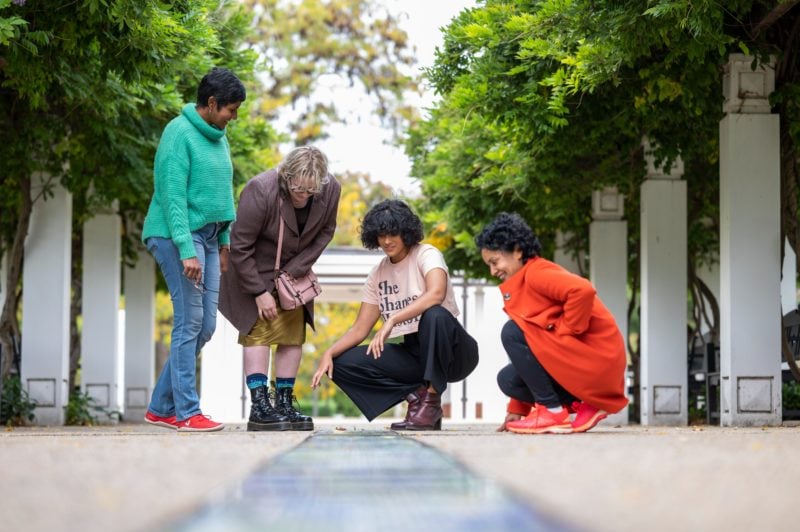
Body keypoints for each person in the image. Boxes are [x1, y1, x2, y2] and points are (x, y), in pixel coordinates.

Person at [311, 199, 479, 430]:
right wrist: (328, 353)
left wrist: (393, 319)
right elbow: (360, 329)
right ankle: (419, 398)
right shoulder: (378, 274)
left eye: (393, 233)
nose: (387, 241)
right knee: (341, 364)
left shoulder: (427, 254)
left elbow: (436, 293)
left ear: (406, 231)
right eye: (381, 235)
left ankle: (431, 400)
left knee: (434, 314)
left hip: (453, 351)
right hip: (415, 354)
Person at [142, 67, 246, 432]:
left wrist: (224, 240)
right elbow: (172, 197)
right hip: (176, 235)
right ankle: (187, 412)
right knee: (189, 322)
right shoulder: (178, 133)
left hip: (210, 237)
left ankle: (160, 407)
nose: (234, 117)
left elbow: (222, 192)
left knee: (206, 326)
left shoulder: (219, 137)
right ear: (212, 103)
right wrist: (186, 248)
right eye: (231, 110)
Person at [219, 146, 340, 431]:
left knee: (292, 336)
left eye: (310, 191)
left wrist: (295, 270)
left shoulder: (331, 188)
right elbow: (240, 246)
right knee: (258, 333)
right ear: (286, 176)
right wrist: (259, 292)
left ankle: (284, 404)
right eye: (298, 189)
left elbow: (326, 231)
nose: (303, 196)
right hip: (254, 268)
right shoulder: (260, 189)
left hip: (294, 275)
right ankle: (260, 406)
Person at [475, 212, 628, 434]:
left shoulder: (537, 273)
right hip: (589, 365)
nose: (493, 271)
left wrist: (567, 330)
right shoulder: (524, 280)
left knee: (512, 331)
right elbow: (531, 352)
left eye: (494, 262)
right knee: (509, 380)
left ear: (517, 251)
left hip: (596, 359)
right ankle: (585, 403)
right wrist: (517, 408)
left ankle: (552, 411)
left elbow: (582, 290)